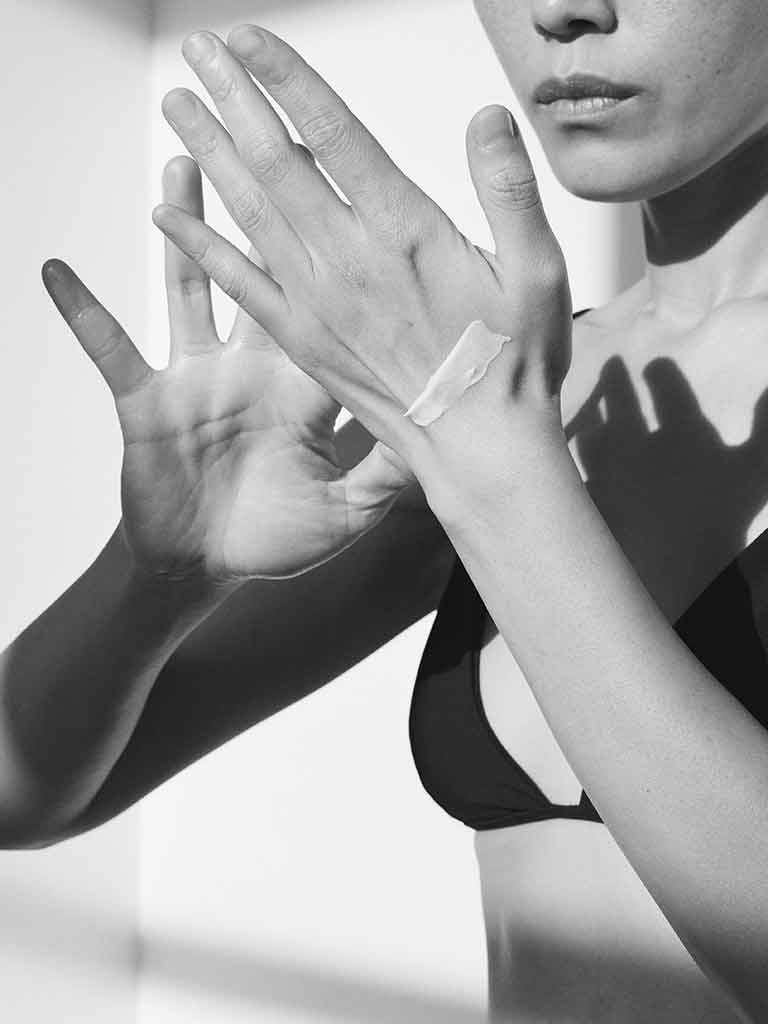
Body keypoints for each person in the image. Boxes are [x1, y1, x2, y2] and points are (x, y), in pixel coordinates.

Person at [2, 2, 767, 1021]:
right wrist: (156, 580)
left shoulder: (485, 423)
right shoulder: (500, 390)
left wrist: (498, 469)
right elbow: (22, 795)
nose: (561, 8)